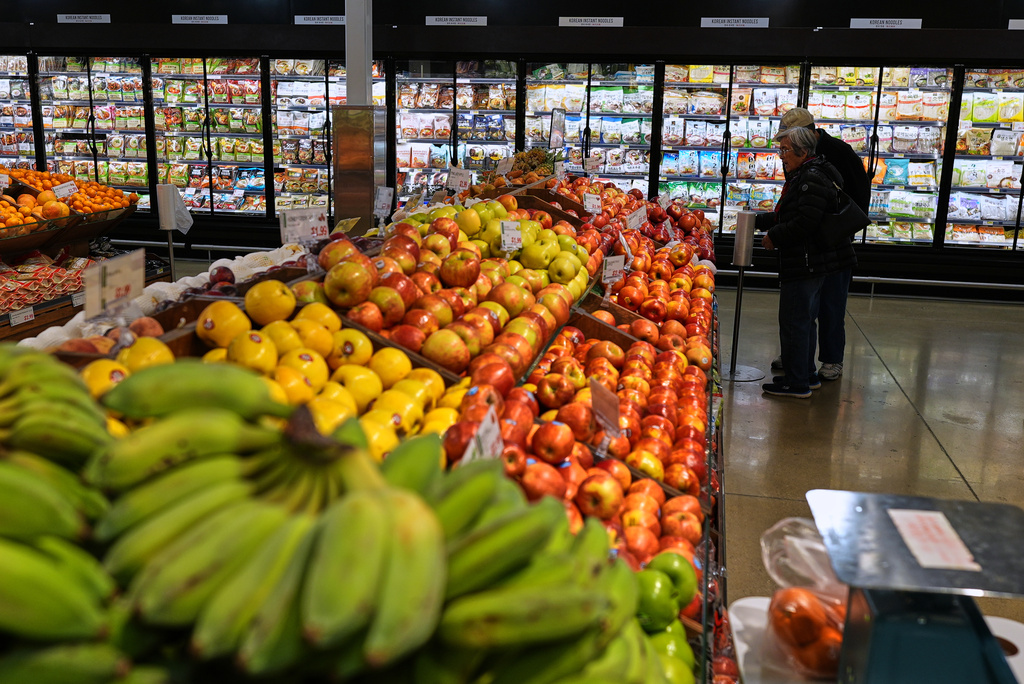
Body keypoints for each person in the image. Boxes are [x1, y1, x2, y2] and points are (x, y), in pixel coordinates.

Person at [771, 107, 867, 381]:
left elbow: (859, 195)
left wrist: (841, 229)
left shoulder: (837, 152)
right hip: (809, 245)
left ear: (809, 134)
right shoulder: (798, 154)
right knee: (804, 306)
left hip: (833, 240)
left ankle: (831, 360)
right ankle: (797, 357)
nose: (783, 152)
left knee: (831, 304)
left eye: (787, 144)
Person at [757, 126, 847, 398]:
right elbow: (793, 213)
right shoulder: (812, 172)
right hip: (813, 261)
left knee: (795, 320)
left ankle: (796, 384)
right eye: (780, 149)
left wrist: (774, 235)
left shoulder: (811, 177)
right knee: (805, 320)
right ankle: (807, 375)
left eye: (785, 150)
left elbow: (806, 222)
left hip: (805, 261)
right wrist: (756, 221)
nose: (781, 155)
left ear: (803, 151)